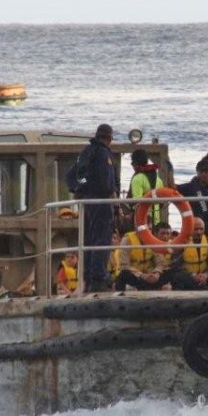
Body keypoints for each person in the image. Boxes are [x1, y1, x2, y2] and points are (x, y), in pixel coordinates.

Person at [73, 124, 121, 292]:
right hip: (101, 202)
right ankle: (98, 278)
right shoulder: (103, 153)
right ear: (109, 138)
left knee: (88, 240)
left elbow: (73, 176)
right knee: (102, 239)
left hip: (87, 202)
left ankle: (87, 278)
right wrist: (115, 202)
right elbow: (107, 182)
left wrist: (81, 189)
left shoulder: (85, 152)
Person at [168, 218, 208, 290]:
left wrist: (206, 274)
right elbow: (175, 265)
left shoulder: (207, 241)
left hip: (203, 275)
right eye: (195, 229)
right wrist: (193, 275)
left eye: (201, 229)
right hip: (188, 275)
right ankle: (201, 286)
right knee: (177, 276)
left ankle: (203, 284)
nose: (199, 232)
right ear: (189, 229)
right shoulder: (181, 242)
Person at [114, 222, 173, 292]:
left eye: (150, 229)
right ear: (136, 228)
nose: (147, 232)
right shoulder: (127, 239)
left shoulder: (152, 240)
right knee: (124, 274)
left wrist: (156, 273)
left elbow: (160, 263)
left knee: (170, 272)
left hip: (150, 276)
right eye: (144, 229)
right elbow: (124, 265)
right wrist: (142, 275)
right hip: (135, 276)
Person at [127, 148, 165, 225]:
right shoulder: (158, 179)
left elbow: (137, 202)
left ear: (136, 164)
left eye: (132, 164)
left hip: (143, 220)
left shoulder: (137, 179)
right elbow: (162, 201)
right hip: (156, 221)